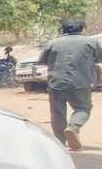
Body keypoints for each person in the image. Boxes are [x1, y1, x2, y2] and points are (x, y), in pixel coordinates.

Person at [38, 19, 102, 150]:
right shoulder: (91, 42)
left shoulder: (53, 43)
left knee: (57, 113)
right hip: (81, 83)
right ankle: (73, 128)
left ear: (63, 29)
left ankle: (59, 143)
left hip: (56, 83)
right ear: (82, 29)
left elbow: (42, 61)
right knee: (83, 108)